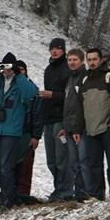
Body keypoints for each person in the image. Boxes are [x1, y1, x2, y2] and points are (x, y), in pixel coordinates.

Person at [0, 53, 37, 213]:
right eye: (4, 66)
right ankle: (12, 194)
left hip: (11, 132)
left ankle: (8, 199)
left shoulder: (20, 83)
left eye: (9, 67)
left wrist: (19, 75)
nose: (7, 70)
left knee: (6, 167)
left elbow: (31, 94)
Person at [74, 48, 110, 200]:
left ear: (101, 60)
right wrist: (79, 128)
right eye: (89, 60)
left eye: (94, 59)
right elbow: (80, 107)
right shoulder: (84, 81)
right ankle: (98, 195)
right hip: (90, 129)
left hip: (108, 128)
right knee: (94, 164)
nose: (91, 62)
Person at [40, 37, 72, 202]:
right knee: (51, 160)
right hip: (48, 118)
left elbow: (70, 96)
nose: (55, 51)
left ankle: (66, 190)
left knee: (61, 158)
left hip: (61, 118)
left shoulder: (67, 69)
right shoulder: (48, 69)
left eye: (58, 48)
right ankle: (57, 188)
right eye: (52, 48)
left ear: (63, 50)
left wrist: (53, 95)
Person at [13, 60, 43, 204]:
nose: (20, 72)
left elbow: (38, 114)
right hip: (11, 134)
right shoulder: (10, 89)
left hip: (27, 133)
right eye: (17, 69)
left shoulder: (32, 90)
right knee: (10, 165)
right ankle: (11, 193)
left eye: (22, 69)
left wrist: (36, 135)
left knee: (25, 167)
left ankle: (23, 195)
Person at [63, 48, 91, 201]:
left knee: (83, 161)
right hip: (68, 126)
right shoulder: (70, 79)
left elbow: (81, 106)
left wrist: (77, 128)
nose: (72, 63)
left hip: (80, 128)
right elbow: (68, 105)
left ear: (81, 61)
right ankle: (78, 190)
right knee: (73, 162)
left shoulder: (84, 78)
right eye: (69, 60)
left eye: (75, 60)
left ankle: (87, 191)